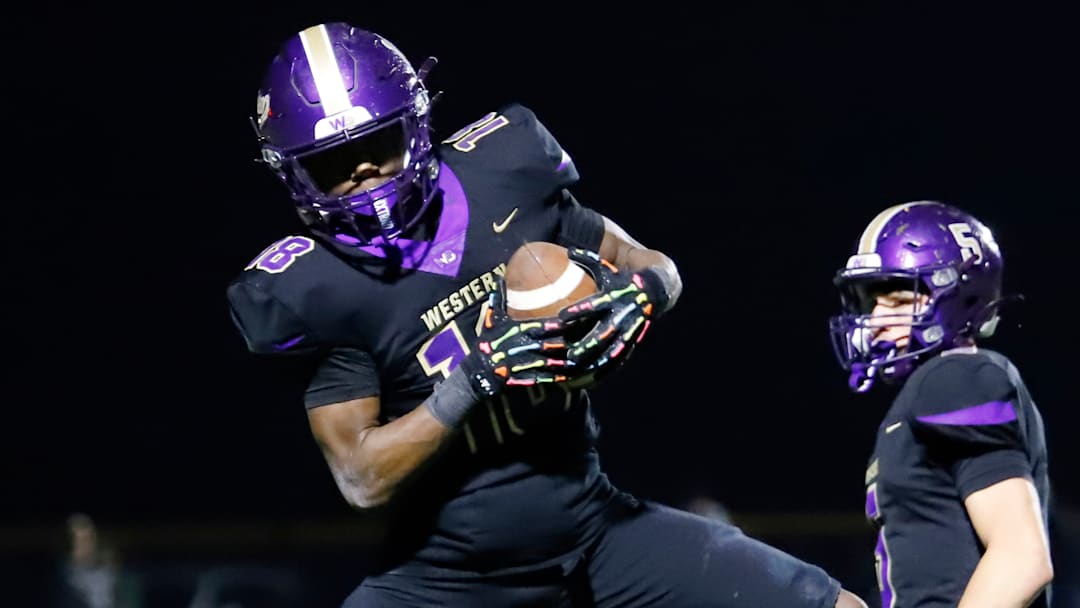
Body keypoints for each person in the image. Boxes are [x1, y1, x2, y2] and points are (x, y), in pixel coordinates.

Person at [227, 21, 867, 607]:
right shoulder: (310, 288)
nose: (363, 174)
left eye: (376, 146)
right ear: (291, 174)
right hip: (446, 581)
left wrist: (641, 295)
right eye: (331, 165)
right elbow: (362, 479)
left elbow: (654, 265)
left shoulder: (502, 170)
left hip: (597, 533)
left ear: (416, 123)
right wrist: (476, 377)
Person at [828, 201, 1054, 607]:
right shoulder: (934, 387)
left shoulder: (954, 379)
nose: (876, 318)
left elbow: (1022, 557)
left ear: (955, 294)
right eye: (871, 302)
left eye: (897, 299)